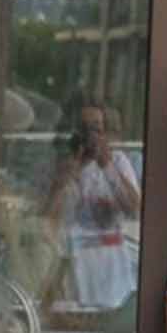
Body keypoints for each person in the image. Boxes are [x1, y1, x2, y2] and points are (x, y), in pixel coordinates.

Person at [46, 97, 143, 313]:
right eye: (84, 129)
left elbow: (135, 209)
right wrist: (70, 173)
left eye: (96, 129)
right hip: (72, 264)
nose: (91, 136)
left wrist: (107, 166)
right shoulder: (64, 165)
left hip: (109, 264)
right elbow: (47, 217)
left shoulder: (116, 162)